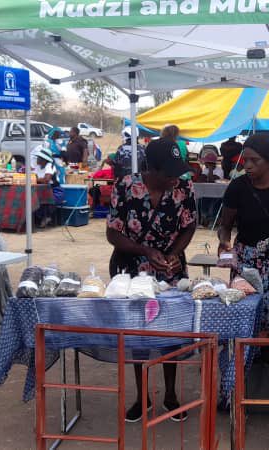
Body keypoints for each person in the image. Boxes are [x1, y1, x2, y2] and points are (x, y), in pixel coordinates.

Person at [106, 137, 196, 423]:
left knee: (170, 331)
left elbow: (189, 225)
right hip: (132, 268)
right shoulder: (125, 186)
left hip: (171, 267)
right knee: (138, 332)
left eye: (177, 172)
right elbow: (112, 233)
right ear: (151, 169)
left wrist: (173, 254)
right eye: (169, 173)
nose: (175, 178)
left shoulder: (183, 188)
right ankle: (142, 396)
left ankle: (170, 395)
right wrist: (145, 251)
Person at [218, 134, 269, 336]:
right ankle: (247, 351)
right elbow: (225, 226)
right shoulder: (237, 187)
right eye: (245, 160)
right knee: (246, 310)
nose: (247, 165)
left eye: (254, 160)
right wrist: (224, 242)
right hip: (247, 261)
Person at [32, 146, 63, 227]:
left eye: (39, 158)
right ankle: (36, 219)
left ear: (44, 159)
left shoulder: (50, 166)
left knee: (43, 200)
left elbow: (46, 180)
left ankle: (46, 217)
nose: (37, 159)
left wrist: (36, 179)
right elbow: (34, 176)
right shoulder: (38, 167)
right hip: (41, 191)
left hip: (55, 192)